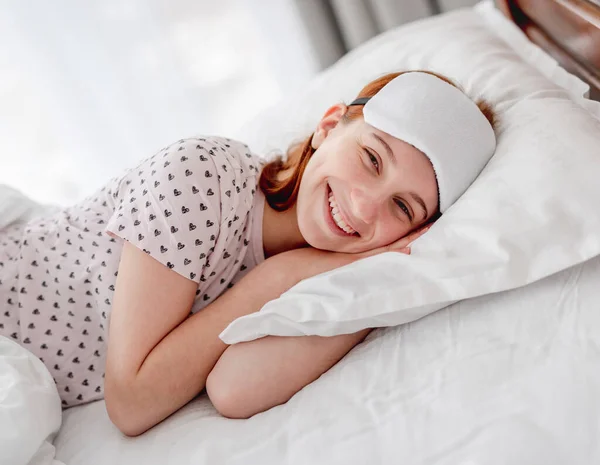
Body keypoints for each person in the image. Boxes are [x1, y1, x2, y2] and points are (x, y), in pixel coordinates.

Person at [0, 70, 496, 436]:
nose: (365, 207)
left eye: (402, 207)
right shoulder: (201, 177)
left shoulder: (329, 268)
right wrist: (273, 280)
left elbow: (235, 389)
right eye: (371, 159)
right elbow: (131, 403)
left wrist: (382, 276)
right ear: (329, 126)